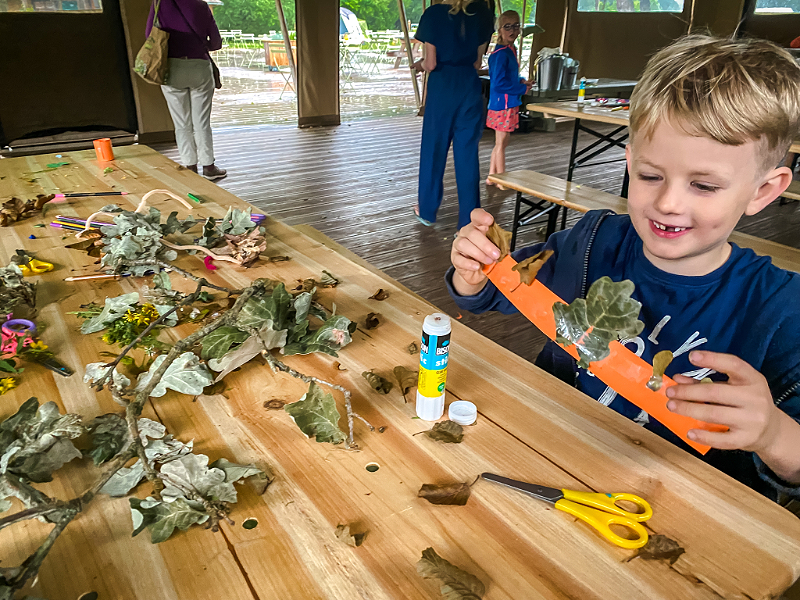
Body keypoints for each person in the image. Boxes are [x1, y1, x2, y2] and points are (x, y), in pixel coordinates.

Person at [447, 35, 800, 502]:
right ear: (630, 162)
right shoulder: (592, 243)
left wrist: (773, 434)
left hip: (683, 514)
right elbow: (497, 291)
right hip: (546, 462)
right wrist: (472, 271)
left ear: (763, 191)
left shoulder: (782, 312)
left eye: (704, 185)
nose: (668, 202)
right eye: (650, 176)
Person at [413, 0, 495, 230]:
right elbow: (478, 62)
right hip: (469, 85)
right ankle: (469, 219)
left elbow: (430, 63)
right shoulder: (483, 13)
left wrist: (418, 64)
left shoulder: (434, 14)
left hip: (442, 86)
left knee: (434, 149)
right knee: (467, 153)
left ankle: (427, 210)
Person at [146, 0, 227, 181]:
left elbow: (149, 36)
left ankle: (190, 166)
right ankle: (209, 167)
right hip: (199, 67)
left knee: (181, 122)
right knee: (202, 121)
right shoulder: (201, 6)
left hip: (171, 68)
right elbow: (216, 42)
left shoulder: (159, 4)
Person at [486, 10, 530, 188]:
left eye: (516, 26)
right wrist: (521, 88)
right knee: (501, 142)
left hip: (508, 103)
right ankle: (501, 180)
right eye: (507, 27)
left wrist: (521, 81)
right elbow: (498, 84)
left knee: (502, 142)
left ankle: (492, 176)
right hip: (502, 105)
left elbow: (509, 77)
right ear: (500, 30)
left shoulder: (510, 50)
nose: (512, 30)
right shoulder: (501, 54)